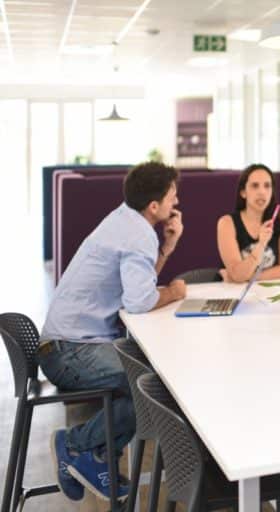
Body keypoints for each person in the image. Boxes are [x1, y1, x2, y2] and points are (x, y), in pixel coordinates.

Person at [39, 162, 187, 502]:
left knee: (149, 379)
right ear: (154, 206)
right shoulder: (138, 233)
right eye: (172, 196)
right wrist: (175, 292)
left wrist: (167, 248)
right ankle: (75, 445)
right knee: (151, 384)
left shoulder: (125, 220)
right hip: (70, 353)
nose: (176, 201)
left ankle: (96, 456)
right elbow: (140, 302)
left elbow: (138, 287)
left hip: (65, 346)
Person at [217, 163, 280, 282]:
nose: (262, 192)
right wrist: (261, 244)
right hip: (234, 291)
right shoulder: (227, 223)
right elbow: (238, 274)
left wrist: (248, 278)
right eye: (255, 186)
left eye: (267, 186)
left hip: (269, 290)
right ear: (243, 192)